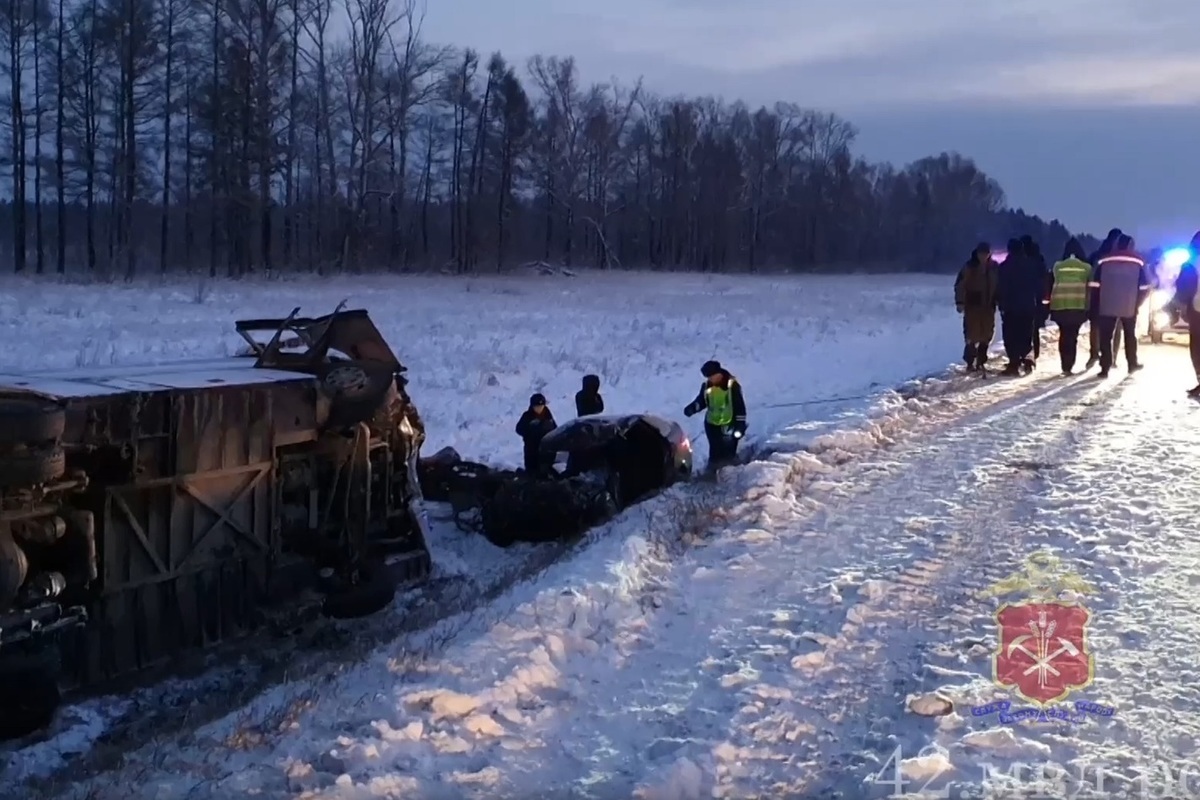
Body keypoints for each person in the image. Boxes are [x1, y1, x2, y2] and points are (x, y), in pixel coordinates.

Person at [1090, 234, 1149, 378]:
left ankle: (1105, 367)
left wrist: (1096, 304)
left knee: (1106, 337)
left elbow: (1095, 285)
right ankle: (1132, 364)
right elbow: (1145, 286)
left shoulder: (1104, 261)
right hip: (1129, 305)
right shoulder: (1138, 263)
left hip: (1107, 304)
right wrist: (1137, 303)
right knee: (1130, 335)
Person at [683, 360, 747, 468]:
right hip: (712, 424)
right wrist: (693, 408)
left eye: (712, 376)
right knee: (715, 451)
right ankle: (713, 472)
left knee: (728, 452)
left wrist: (740, 426)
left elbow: (739, 406)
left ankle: (729, 472)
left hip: (729, 424)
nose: (710, 379)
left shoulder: (732, 386)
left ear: (718, 373)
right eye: (708, 377)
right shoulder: (707, 385)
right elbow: (702, 401)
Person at [996, 237, 1043, 375]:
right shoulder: (1031, 265)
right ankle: (1028, 361)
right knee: (1026, 335)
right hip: (1028, 306)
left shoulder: (1004, 267)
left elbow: (1001, 287)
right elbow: (1038, 285)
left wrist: (1001, 303)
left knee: (1011, 336)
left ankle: (1014, 364)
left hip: (1010, 307)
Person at [1048, 237, 1093, 374]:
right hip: (1077, 306)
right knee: (1072, 336)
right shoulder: (1086, 268)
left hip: (1060, 306)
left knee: (1063, 335)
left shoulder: (1057, 266)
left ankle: (1064, 365)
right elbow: (1089, 288)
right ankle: (1069, 364)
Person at [954, 242, 998, 371]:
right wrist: (960, 302)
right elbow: (960, 285)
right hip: (973, 306)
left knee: (987, 333)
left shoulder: (994, 267)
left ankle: (981, 360)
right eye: (981, 253)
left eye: (986, 253)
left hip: (988, 306)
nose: (984, 256)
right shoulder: (969, 267)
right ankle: (969, 361)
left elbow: (999, 285)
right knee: (971, 335)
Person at [1086, 228, 1122, 368]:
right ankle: (1112, 357)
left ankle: (1094, 354)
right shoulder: (1118, 257)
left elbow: (1089, 273)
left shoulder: (1097, 255)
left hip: (1097, 294)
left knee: (1095, 326)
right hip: (1116, 296)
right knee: (1115, 327)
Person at [1171, 230, 1200, 395]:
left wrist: (1180, 306)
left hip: (1197, 309)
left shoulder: (1192, 263)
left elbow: (1183, 287)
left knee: (1197, 346)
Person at [1022, 236, 1049, 362]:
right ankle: (1034, 353)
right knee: (1034, 329)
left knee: (1023, 328)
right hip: (1037, 298)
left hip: (1024, 297)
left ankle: (1025, 353)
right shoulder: (1039, 259)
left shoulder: (1024, 261)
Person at [515, 393, 557, 473]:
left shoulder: (548, 416)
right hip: (531, 450)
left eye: (541, 406)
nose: (539, 409)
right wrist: (530, 431)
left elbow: (555, 430)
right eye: (537, 406)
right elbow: (519, 429)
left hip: (547, 451)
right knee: (532, 473)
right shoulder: (527, 416)